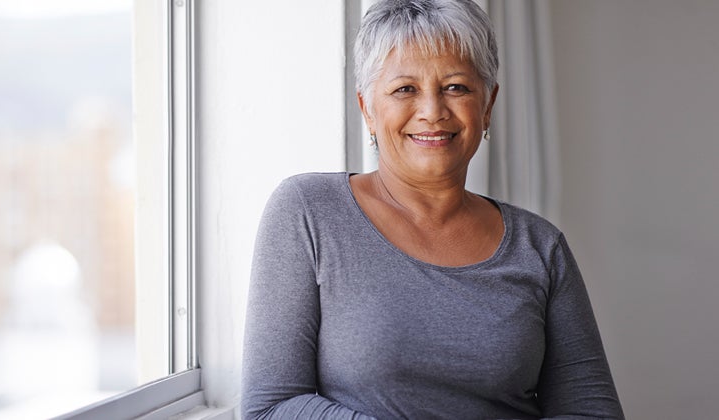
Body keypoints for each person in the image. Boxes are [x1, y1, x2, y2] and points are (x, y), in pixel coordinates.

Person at [242, 0, 624, 418]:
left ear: (488, 105)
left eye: (456, 87)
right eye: (405, 89)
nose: (432, 112)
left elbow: (592, 410)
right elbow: (270, 407)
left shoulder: (541, 247)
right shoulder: (307, 213)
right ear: (368, 109)